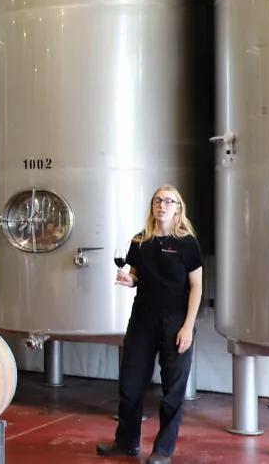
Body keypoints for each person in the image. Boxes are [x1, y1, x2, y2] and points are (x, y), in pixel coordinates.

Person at [95, 185, 203, 464]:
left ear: (178, 208)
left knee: (172, 390)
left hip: (175, 322)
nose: (162, 205)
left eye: (168, 201)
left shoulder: (187, 243)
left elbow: (196, 287)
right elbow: (136, 276)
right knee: (130, 383)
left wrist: (188, 326)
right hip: (142, 319)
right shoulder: (140, 241)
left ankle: (163, 450)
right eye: (157, 201)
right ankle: (126, 442)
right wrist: (128, 280)